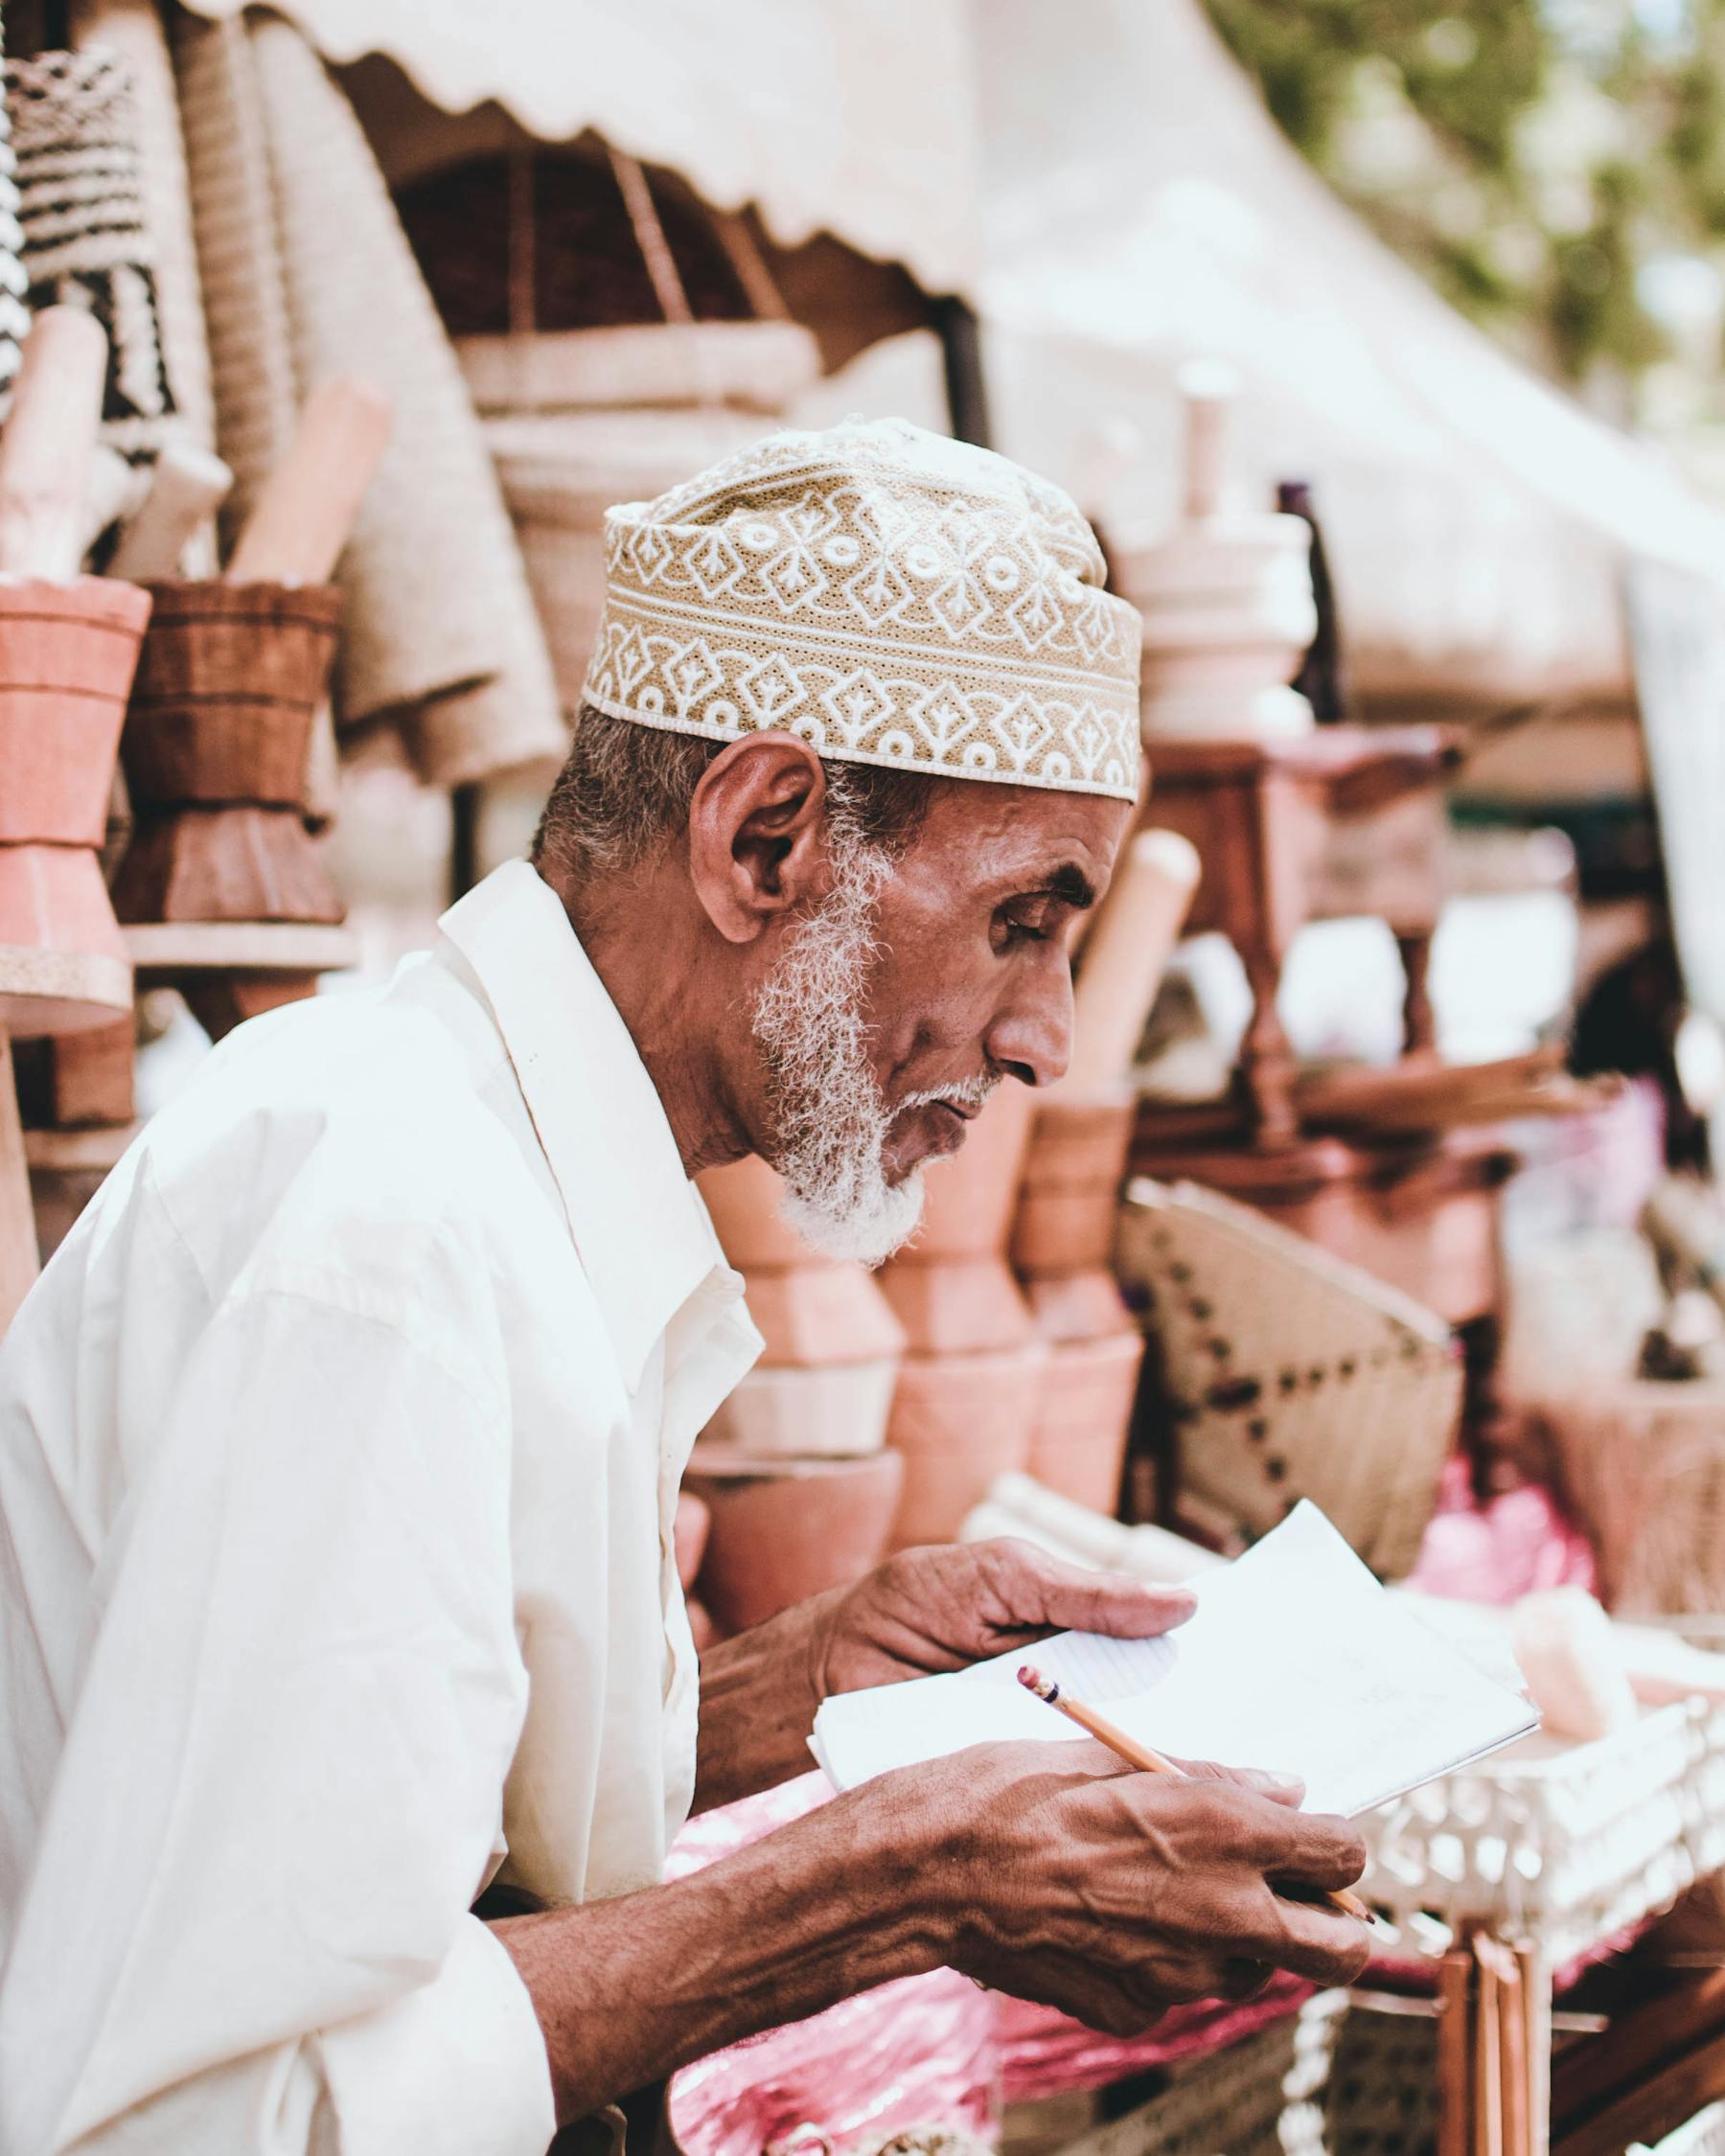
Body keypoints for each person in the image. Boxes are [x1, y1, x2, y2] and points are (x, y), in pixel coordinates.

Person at [0, 419, 1368, 2153]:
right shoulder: (388, 1234)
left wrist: (795, 1690)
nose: (1046, 1037)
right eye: (1028, 918)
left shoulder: (498, 1183)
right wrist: (889, 1888)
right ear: (768, 839)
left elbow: (407, 1820)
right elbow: (196, 2117)